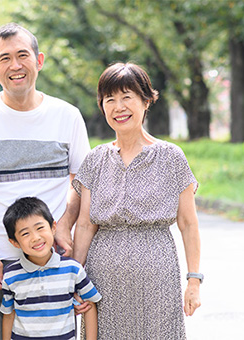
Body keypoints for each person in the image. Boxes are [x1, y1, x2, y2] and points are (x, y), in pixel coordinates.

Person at [0, 23, 91, 339]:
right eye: (5, 58)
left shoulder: (66, 116)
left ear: (39, 60)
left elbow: (80, 182)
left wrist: (64, 224)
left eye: (22, 55)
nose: (15, 65)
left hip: (53, 260)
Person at [72, 62, 202, 339]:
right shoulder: (95, 159)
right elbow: (84, 225)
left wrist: (194, 280)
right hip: (103, 280)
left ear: (146, 101)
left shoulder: (171, 157)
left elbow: (189, 224)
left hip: (158, 276)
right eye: (110, 99)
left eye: (126, 97)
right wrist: (74, 278)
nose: (118, 107)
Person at [0, 197, 102, 340]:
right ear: (14, 242)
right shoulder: (10, 275)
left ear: (53, 227)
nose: (35, 237)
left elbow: (90, 305)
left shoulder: (73, 269)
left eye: (40, 228)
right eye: (25, 233)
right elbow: (9, 314)